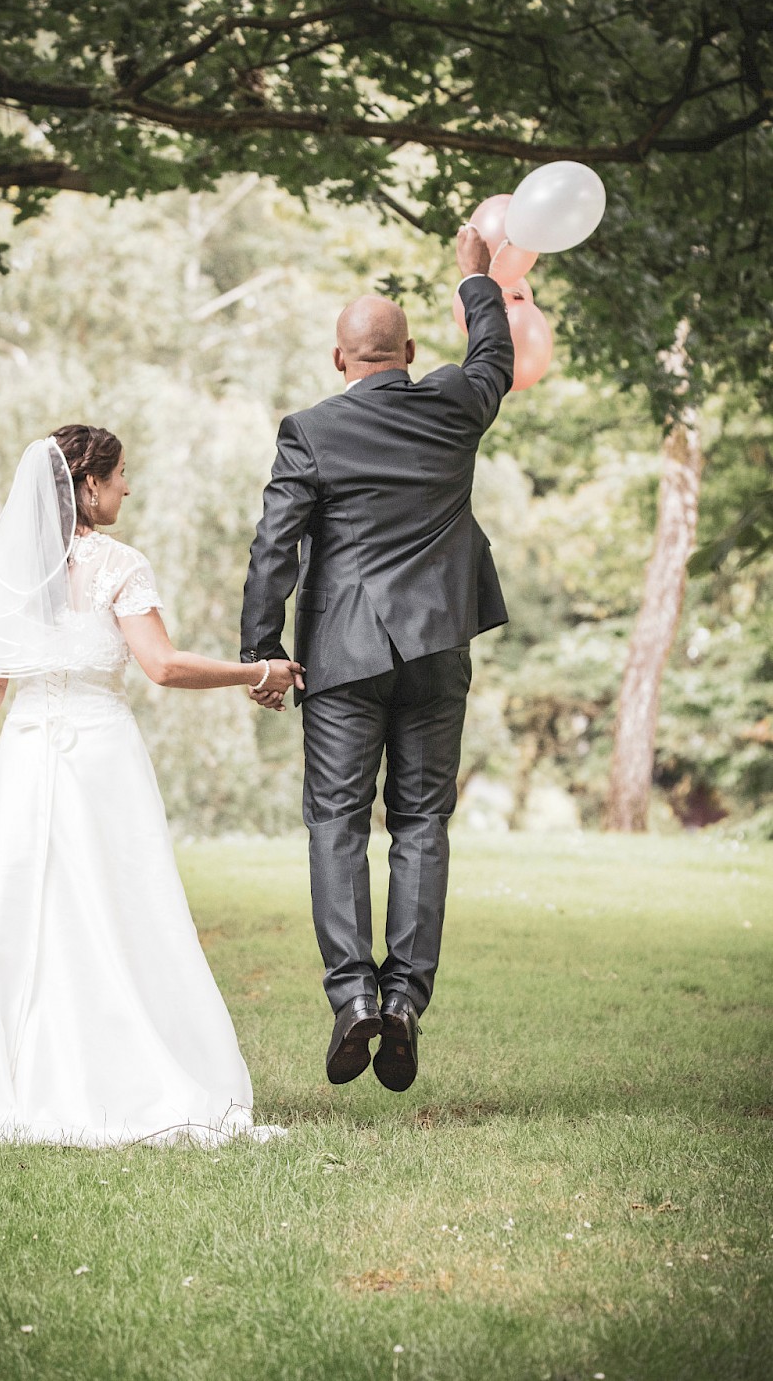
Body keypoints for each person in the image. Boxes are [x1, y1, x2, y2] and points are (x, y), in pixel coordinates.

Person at [0, 424, 300, 1154]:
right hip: (102, 762)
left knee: (16, 918)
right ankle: (120, 1072)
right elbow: (161, 666)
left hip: (26, 760)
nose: (128, 487)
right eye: (121, 475)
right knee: (121, 910)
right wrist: (260, 671)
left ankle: (1, 1080)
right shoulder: (117, 564)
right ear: (90, 486)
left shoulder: (14, 570)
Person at [240, 225, 514, 1091]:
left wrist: (262, 650)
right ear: (409, 353)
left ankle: (354, 995)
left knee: (337, 822)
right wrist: (477, 277)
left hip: (343, 657)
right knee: (423, 823)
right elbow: (494, 359)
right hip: (437, 652)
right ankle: (403, 1000)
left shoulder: (310, 431)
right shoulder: (452, 405)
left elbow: (273, 549)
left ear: (337, 358)